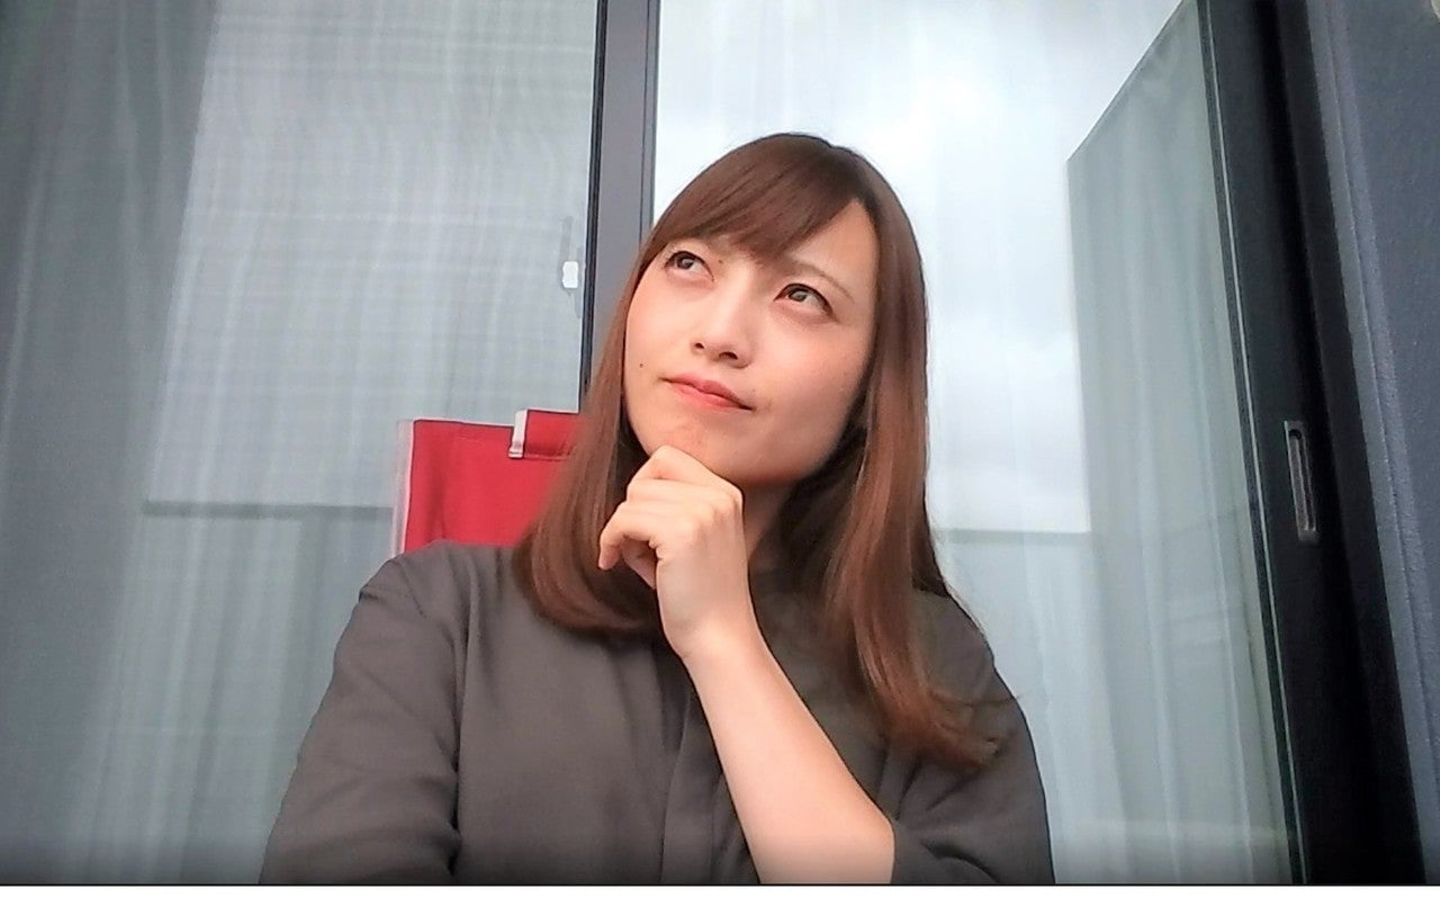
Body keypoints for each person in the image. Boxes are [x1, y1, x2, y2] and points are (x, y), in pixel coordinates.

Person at [260, 132, 1053, 884]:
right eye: (689, 263)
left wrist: (724, 642)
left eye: (801, 294)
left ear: (868, 392)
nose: (720, 332)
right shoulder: (439, 613)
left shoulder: (935, 671)